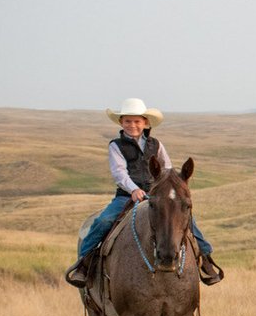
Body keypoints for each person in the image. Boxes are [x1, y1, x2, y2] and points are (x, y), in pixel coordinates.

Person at [65, 98, 222, 288]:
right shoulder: (116, 146)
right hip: (126, 196)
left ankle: (205, 259)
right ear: (121, 123)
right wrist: (134, 190)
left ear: (145, 123)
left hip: (156, 195)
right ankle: (84, 263)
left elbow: (167, 169)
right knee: (103, 221)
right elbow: (119, 173)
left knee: (187, 220)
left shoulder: (156, 144)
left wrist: (165, 188)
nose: (132, 125)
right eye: (128, 121)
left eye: (137, 121)